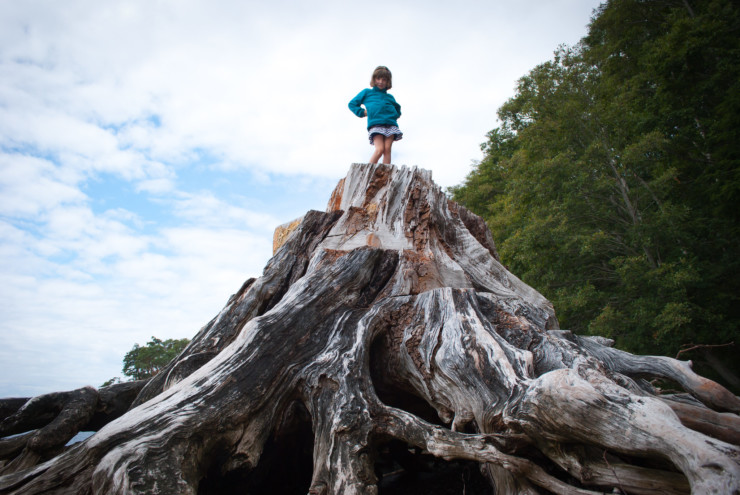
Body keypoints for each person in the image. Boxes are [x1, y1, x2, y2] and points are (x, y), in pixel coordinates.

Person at [348, 66, 402, 165]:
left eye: (384, 79)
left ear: (388, 82)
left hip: (391, 124)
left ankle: (386, 171)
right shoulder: (367, 93)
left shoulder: (389, 97)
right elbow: (352, 104)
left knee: (387, 149)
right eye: (378, 79)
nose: (381, 81)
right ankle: (366, 172)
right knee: (379, 149)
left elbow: (398, 109)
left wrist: (394, 115)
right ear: (374, 79)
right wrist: (362, 112)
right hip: (376, 124)